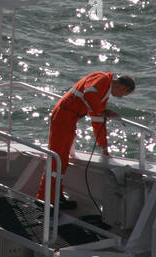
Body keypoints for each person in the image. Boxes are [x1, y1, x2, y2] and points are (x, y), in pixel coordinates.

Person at [37, 71, 135, 208]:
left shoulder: (103, 92)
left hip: (69, 118)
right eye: (125, 94)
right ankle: (43, 199)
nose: (122, 97)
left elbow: (97, 119)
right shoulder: (102, 79)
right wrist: (101, 111)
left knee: (62, 161)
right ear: (123, 87)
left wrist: (103, 146)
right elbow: (89, 94)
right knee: (56, 160)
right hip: (63, 117)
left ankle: (55, 197)